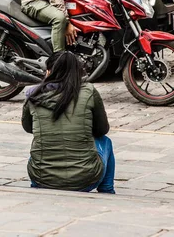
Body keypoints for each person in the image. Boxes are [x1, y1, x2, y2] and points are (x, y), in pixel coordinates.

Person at [22, 51, 115, 193]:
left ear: (48, 72)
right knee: (106, 142)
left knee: (38, 144)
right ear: (78, 72)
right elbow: (102, 129)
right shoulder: (88, 91)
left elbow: (28, 128)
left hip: (41, 177)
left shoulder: (33, 95)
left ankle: (38, 186)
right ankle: (107, 191)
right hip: (86, 179)